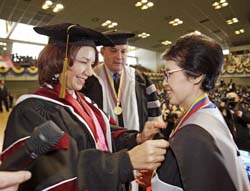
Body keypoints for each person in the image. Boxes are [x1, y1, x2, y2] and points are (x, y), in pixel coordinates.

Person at [1, 23, 168, 191]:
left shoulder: (84, 101)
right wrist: (125, 161)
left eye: (92, 64)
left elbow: (107, 134)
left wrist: (138, 138)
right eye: (84, 62)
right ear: (60, 61)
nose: (89, 72)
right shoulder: (31, 111)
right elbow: (53, 173)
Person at [150, 33, 250, 190]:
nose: (164, 83)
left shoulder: (193, 133)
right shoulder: (208, 113)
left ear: (196, 75)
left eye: (169, 74)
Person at [80, 32, 162, 191]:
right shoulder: (88, 80)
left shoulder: (142, 80)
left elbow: (155, 118)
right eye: (113, 50)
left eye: (123, 51)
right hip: (104, 159)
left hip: (138, 152)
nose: (119, 56)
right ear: (102, 52)